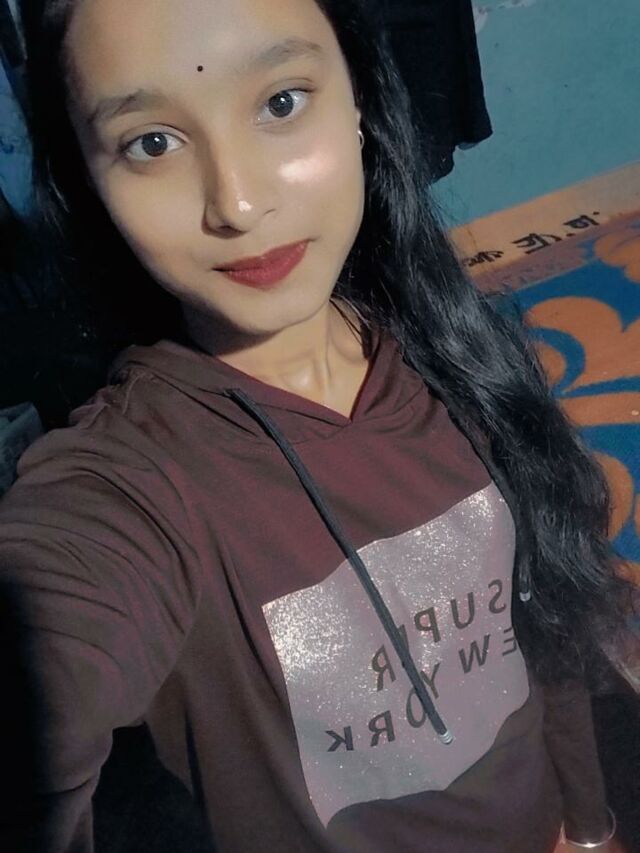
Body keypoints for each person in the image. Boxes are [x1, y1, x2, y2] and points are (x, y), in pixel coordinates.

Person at [0, 0, 636, 850]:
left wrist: (586, 825)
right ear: (89, 180)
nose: (236, 201)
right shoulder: (131, 489)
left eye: (281, 102)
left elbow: (545, 623)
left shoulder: (459, 355)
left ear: (358, 98)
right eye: (151, 142)